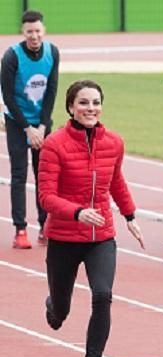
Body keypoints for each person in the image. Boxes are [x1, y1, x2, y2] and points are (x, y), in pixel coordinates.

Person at [37, 79, 145, 357]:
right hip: (64, 237)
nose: (90, 108)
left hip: (101, 237)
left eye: (95, 102)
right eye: (83, 103)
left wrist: (130, 216)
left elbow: (116, 181)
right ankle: (54, 306)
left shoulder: (113, 143)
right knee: (61, 311)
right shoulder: (54, 145)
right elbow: (46, 196)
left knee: (102, 295)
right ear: (71, 107)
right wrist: (76, 212)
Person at [1, 10, 59, 249]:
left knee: (44, 175)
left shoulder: (52, 52)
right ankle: (20, 229)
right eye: (29, 32)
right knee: (18, 174)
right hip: (17, 121)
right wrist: (27, 128)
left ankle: (45, 226)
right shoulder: (11, 56)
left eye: (37, 31)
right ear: (22, 33)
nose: (34, 36)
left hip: (42, 122)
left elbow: (52, 91)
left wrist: (43, 126)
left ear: (43, 30)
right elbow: (8, 95)